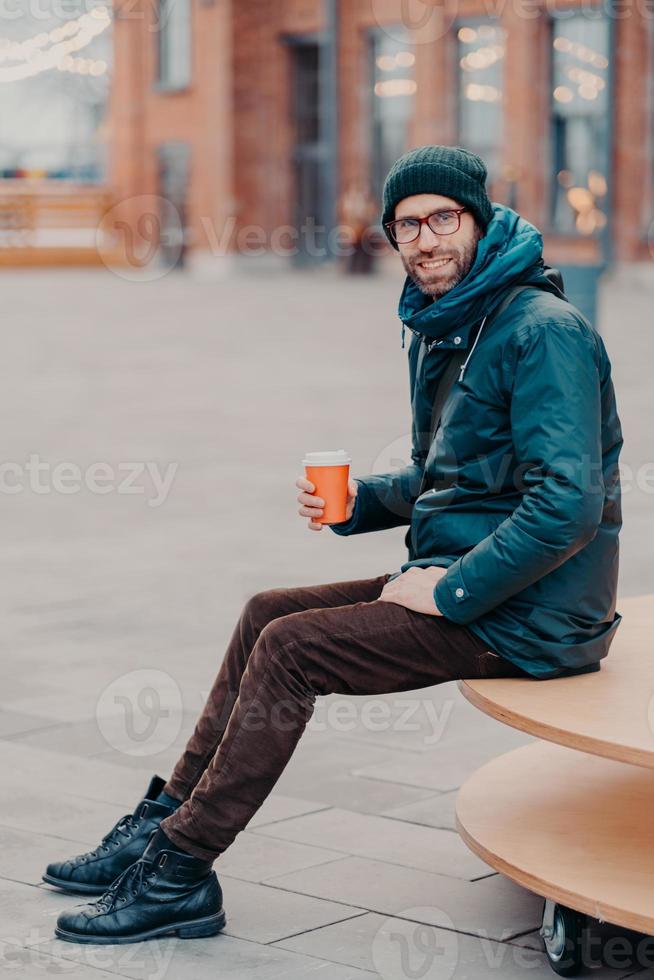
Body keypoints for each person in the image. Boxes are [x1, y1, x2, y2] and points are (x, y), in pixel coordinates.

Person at [44, 144, 623, 945]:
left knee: (292, 649)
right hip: (476, 578)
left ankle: (180, 871)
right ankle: (162, 823)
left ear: (479, 221)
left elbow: (568, 506)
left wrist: (451, 591)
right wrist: (358, 505)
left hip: (534, 612)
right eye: (405, 225)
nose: (423, 240)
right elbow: (450, 473)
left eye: (441, 219)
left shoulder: (541, 331)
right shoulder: (459, 322)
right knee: (264, 612)